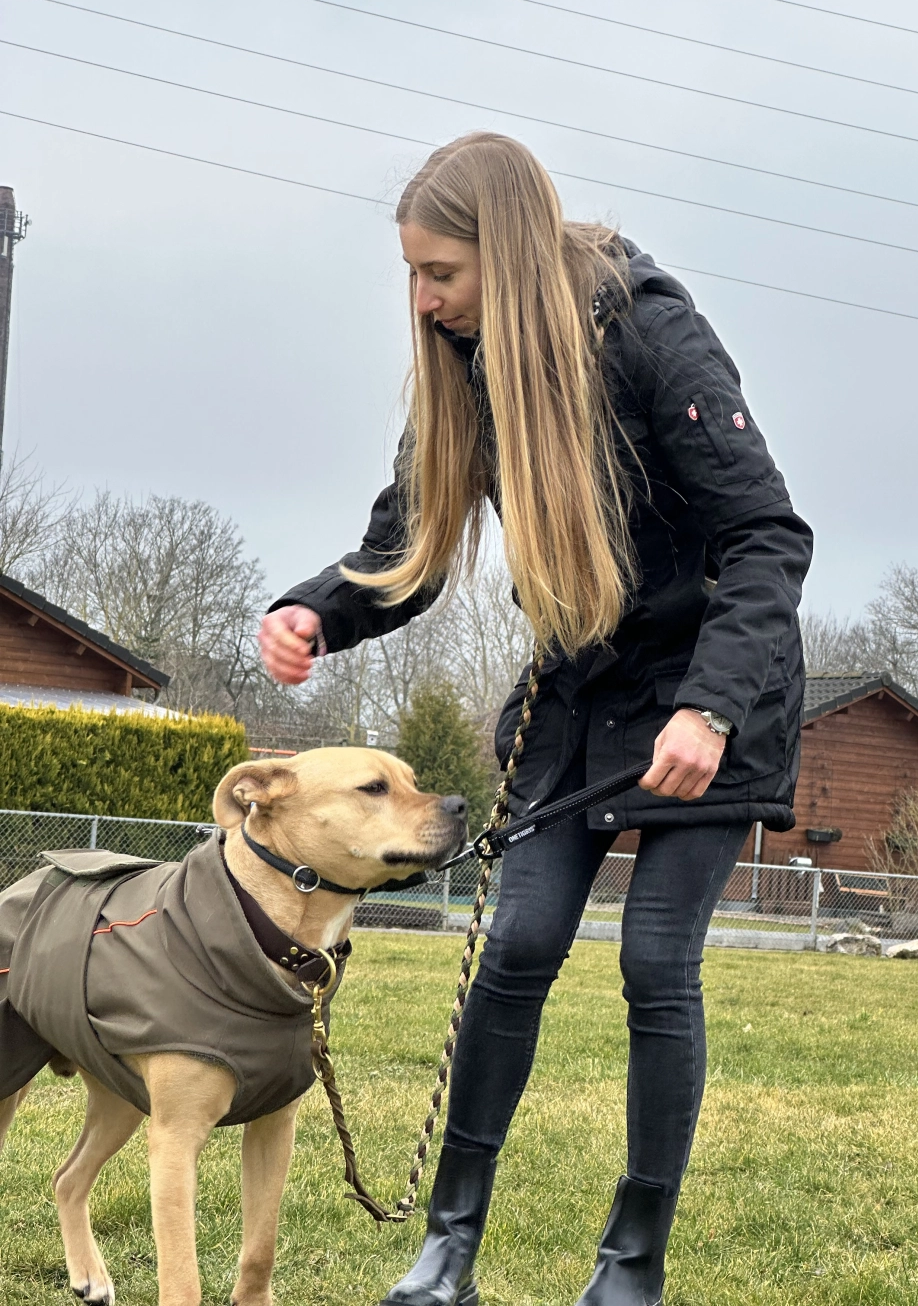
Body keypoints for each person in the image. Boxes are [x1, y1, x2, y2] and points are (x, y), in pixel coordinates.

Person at [259, 133, 813, 1306]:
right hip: (581, 691)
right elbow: (397, 551)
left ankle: (631, 1267)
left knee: (658, 965)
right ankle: (447, 1249)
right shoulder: (466, 366)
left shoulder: (652, 331)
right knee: (514, 950)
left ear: (502, 257)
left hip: (714, 690)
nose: (422, 299)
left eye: (442, 274)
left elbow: (770, 536)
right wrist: (311, 613)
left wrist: (709, 710)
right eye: (412, 274)